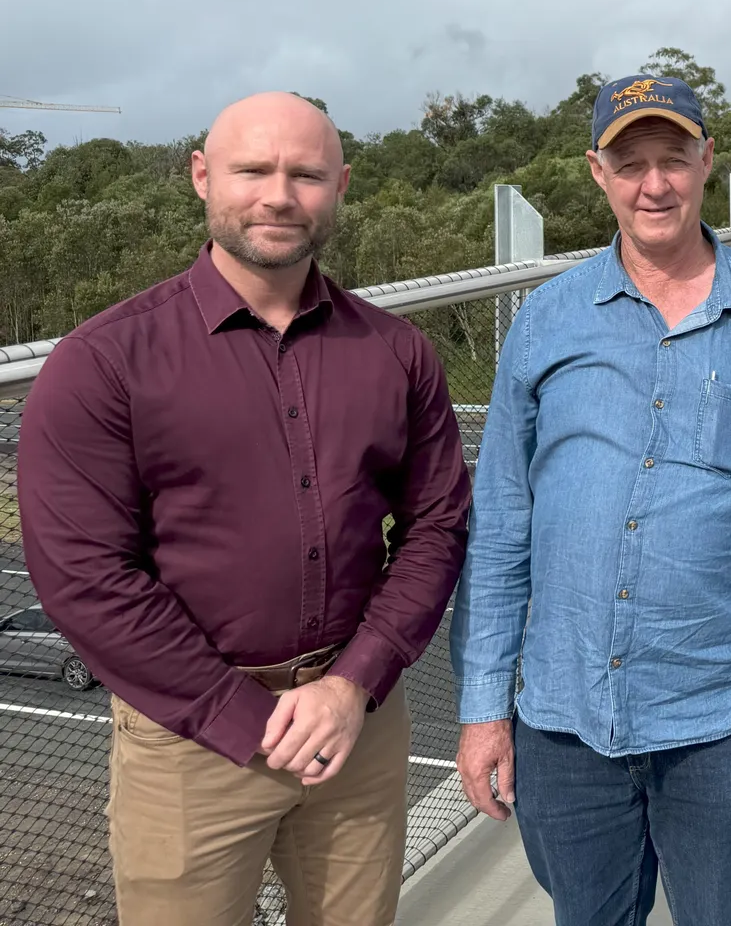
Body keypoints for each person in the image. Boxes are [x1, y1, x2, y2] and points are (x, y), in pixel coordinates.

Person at [18, 92, 472, 926]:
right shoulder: (103, 363)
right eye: (252, 170)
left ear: (340, 186)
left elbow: (437, 525)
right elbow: (84, 576)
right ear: (200, 177)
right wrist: (241, 716)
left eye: (305, 174)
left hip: (354, 731)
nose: (278, 195)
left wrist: (352, 685)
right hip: (188, 743)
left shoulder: (397, 353)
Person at [452, 74, 731, 926]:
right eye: (630, 162)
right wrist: (484, 707)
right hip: (566, 722)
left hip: (726, 716)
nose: (655, 184)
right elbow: (500, 525)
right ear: (596, 173)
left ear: (706, 162)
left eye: (673, 159)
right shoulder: (546, 320)